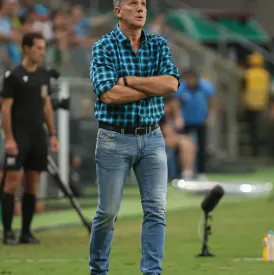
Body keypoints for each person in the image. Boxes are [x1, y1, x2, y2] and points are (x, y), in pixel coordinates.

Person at [88, 0, 180, 273]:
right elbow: (108, 93)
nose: (140, 8)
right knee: (107, 214)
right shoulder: (104, 46)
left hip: (152, 137)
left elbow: (172, 83)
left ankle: (152, 272)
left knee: (156, 210)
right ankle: (98, 271)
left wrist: (127, 80)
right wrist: (153, 86)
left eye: (143, 3)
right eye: (133, 3)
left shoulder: (158, 45)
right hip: (113, 138)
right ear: (118, 11)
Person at [0, 32, 59, 245]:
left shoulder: (44, 76)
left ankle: (26, 232)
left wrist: (52, 133)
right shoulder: (13, 76)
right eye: (38, 48)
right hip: (18, 136)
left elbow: (46, 106)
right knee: (12, 182)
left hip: (37, 137)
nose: (42, 52)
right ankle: (7, 232)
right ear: (26, 49)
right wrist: (9, 138)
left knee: (32, 183)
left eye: (44, 48)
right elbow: (5, 109)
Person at [176, 69, 216, 179]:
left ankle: (201, 172)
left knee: (201, 148)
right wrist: (179, 117)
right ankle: (185, 172)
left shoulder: (205, 86)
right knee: (186, 147)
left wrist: (211, 115)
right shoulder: (181, 87)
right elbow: (177, 104)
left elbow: (212, 101)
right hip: (186, 122)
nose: (189, 81)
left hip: (201, 121)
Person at [161, 94, 197, 180]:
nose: (178, 105)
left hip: (172, 139)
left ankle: (188, 173)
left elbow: (180, 126)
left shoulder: (174, 114)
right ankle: (186, 174)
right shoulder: (162, 113)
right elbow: (167, 132)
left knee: (189, 142)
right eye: (176, 103)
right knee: (185, 142)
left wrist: (177, 113)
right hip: (158, 139)